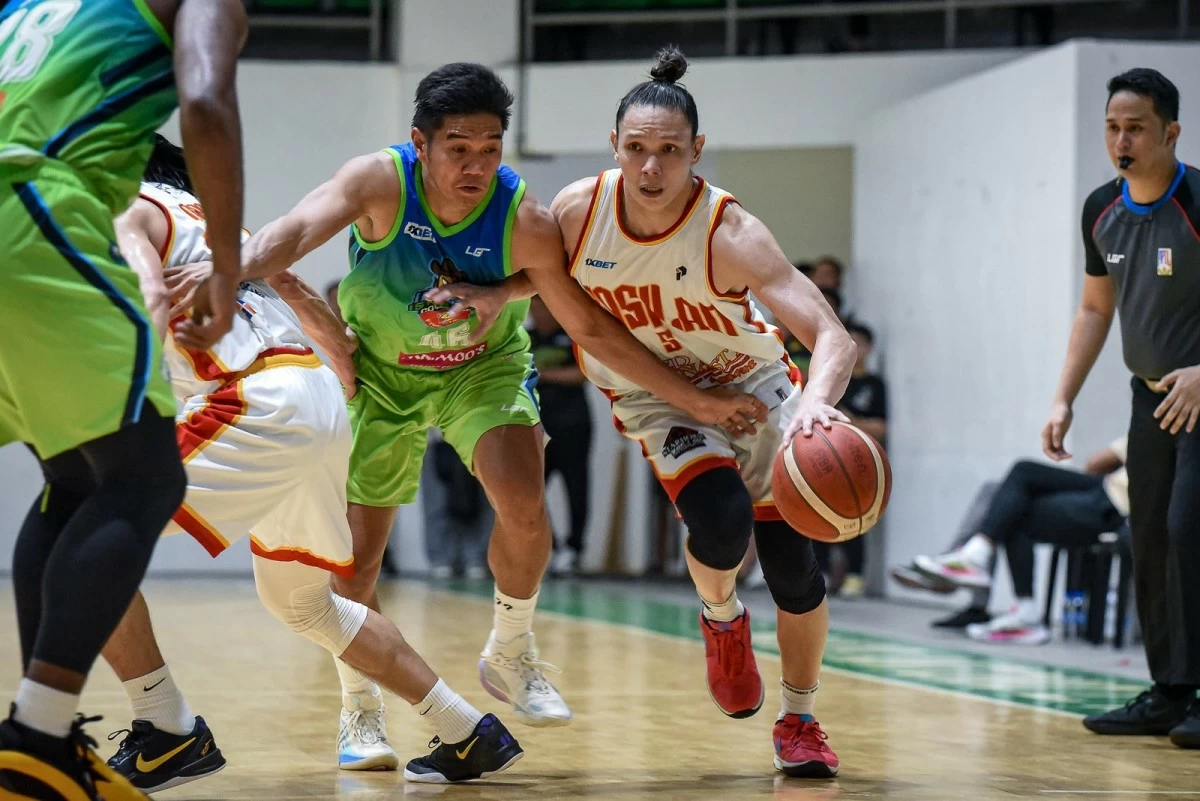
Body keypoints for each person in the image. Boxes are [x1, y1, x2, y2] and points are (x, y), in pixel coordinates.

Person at [224, 62, 766, 746]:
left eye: (489, 149)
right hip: (382, 375)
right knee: (357, 562)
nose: (476, 165)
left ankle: (510, 647)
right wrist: (239, 282)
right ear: (420, 144)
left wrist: (696, 400)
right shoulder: (377, 183)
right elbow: (292, 233)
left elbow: (590, 328)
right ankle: (359, 705)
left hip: (480, 367)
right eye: (458, 148)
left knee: (522, 498)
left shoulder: (525, 220)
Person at [98, 138, 524, 789]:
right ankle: (467, 728)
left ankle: (166, 727)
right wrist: (345, 373)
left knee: (81, 535)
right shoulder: (225, 229)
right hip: (316, 400)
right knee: (306, 605)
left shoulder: (133, 211)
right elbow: (297, 292)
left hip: (254, 400)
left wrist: (134, 407)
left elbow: (151, 298)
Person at [550, 46, 856, 778]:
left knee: (793, 567)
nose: (651, 168)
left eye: (668, 151)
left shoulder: (730, 231)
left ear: (698, 151)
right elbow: (528, 285)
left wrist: (814, 406)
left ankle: (800, 718)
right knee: (719, 522)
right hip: (654, 394)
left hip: (750, 385)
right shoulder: (576, 212)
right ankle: (722, 619)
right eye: (635, 150)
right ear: (614, 145)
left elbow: (832, 338)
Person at [0, 2, 246, 798]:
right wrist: (226, 265)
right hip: (32, 203)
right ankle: (36, 736)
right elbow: (205, 104)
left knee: (73, 482)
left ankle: (45, 741)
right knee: (143, 477)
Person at [1043, 68, 1200, 748]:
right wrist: (1063, 396)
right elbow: (1094, 308)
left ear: (1171, 131)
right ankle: (1169, 690)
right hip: (1151, 398)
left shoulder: (1197, 200)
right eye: (1112, 126)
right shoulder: (1100, 209)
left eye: (1135, 127)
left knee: (1189, 528)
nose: (1121, 139)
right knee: (1151, 537)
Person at [913, 438, 1129, 645]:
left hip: (1115, 502)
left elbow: (1097, 462)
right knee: (1013, 485)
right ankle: (977, 561)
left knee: (1016, 498)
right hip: (1107, 490)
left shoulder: (1153, 416)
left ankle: (979, 562)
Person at [814, 321, 887, 597]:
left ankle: (855, 575)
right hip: (826, 460)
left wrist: (851, 420)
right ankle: (819, 571)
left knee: (856, 517)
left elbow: (881, 427)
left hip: (860, 460)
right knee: (818, 514)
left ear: (869, 349)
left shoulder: (875, 385)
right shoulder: (828, 381)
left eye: (860, 344)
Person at [528, 295, 593, 576]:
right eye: (534, 305)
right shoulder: (525, 338)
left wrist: (543, 375)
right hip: (536, 426)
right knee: (532, 491)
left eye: (544, 304)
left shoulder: (570, 335)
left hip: (574, 425)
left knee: (576, 489)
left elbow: (583, 374)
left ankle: (574, 549)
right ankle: (549, 548)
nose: (539, 310)